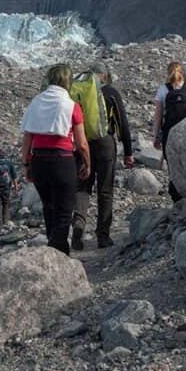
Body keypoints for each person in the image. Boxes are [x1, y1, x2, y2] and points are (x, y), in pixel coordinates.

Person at [20, 64, 91, 255]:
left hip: (39, 162)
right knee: (64, 212)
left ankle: (53, 251)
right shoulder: (71, 106)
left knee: (49, 208)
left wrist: (26, 163)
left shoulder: (36, 102)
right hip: (63, 161)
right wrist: (87, 163)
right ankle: (59, 255)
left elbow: (28, 136)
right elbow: (82, 142)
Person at [72, 62, 135, 250]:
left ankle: (79, 224)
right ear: (105, 76)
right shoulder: (110, 93)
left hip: (83, 143)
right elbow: (122, 122)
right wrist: (128, 152)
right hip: (105, 143)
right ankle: (103, 235)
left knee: (83, 185)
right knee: (105, 190)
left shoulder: (80, 92)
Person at [152, 61, 186, 201]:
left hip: (170, 135)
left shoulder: (163, 90)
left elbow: (158, 117)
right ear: (183, 73)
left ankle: (177, 199)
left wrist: (155, 137)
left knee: (174, 169)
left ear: (168, 73)